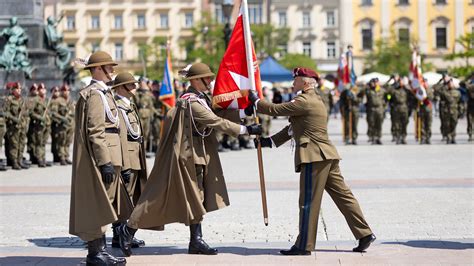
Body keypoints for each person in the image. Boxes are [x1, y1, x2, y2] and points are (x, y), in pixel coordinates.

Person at [116, 62, 262, 257]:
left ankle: (196, 240)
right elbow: (214, 121)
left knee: (198, 198)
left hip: (197, 155)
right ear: (195, 80)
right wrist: (246, 130)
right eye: (207, 78)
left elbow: (218, 112)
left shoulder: (201, 99)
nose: (210, 81)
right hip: (185, 158)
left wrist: (247, 110)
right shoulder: (191, 101)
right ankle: (128, 229)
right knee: (156, 198)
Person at [248, 67, 375, 256]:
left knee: (308, 201)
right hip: (327, 156)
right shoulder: (315, 100)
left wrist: (256, 101)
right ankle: (364, 233)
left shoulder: (304, 101)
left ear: (306, 82)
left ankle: (303, 245)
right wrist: (270, 142)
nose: (293, 83)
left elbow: (276, 110)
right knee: (344, 197)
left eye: (296, 80)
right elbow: (293, 128)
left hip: (313, 157)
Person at [69, 51, 128, 265]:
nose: (112, 70)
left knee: (108, 203)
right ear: (97, 69)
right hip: (106, 156)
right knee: (100, 204)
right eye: (108, 67)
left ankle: (101, 251)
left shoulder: (104, 92)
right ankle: (95, 253)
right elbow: (96, 131)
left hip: (113, 153)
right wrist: (105, 162)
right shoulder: (95, 94)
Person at [110, 72, 148, 249]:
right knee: (123, 198)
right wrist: (124, 164)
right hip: (128, 158)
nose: (134, 87)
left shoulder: (129, 104)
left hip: (135, 155)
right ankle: (119, 235)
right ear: (121, 87)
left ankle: (123, 234)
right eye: (130, 84)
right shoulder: (117, 106)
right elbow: (122, 137)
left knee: (130, 197)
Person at [3, 82, 29, 170]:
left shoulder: (22, 100)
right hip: (13, 126)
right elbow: (5, 112)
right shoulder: (9, 99)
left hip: (22, 126)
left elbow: (25, 114)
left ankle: (19, 160)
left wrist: (25, 123)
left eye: (20, 89)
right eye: (17, 89)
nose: (19, 90)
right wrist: (13, 119)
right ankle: (14, 162)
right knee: (14, 144)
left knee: (21, 144)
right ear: (13, 90)